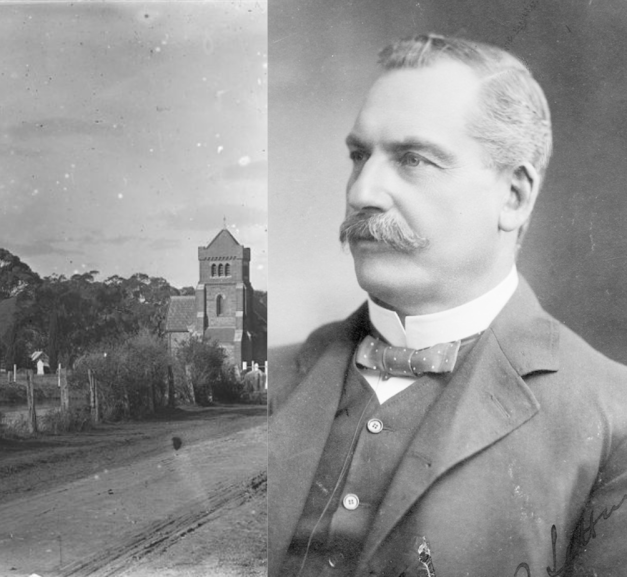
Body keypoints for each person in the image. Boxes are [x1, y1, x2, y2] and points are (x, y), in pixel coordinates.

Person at [269, 33, 627, 576]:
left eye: (413, 159)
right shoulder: (263, 383)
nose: (362, 191)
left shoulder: (612, 420)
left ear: (514, 196)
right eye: (359, 155)